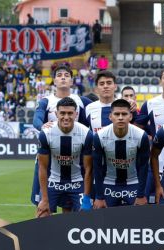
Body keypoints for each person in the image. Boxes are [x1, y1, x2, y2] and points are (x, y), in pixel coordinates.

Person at [31, 63, 91, 206]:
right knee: (43, 204)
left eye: (66, 75)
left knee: (68, 205)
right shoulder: (46, 101)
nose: (63, 78)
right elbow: (36, 119)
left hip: (74, 158)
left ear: (71, 81)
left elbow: (102, 107)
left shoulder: (82, 101)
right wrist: (41, 126)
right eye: (59, 75)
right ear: (54, 81)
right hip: (49, 156)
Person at [36, 97, 93, 217]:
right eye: (62, 113)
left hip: (77, 183)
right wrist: (44, 199)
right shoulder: (46, 133)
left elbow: (88, 169)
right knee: (42, 215)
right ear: (56, 113)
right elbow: (42, 167)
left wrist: (87, 198)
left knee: (87, 219)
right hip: (53, 183)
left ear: (76, 114)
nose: (66, 117)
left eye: (70, 113)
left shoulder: (86, 134)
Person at [135, 65, 164, 203]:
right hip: (156, 164)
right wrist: (150, 137)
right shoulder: (150, 104)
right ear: (160, 81)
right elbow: (137, 128)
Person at [93, 99, 150, 208]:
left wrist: (141, 194)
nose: (120, 117)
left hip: (133, 183)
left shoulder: (141, 135)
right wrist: (99, 197)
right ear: (110, 116)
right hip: (108, 183)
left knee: (135, 222)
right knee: (106, 222)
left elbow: (143, 167)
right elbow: (97, 168)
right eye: (116, 114)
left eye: (124, 114)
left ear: (130, 116)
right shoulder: (100, 136)